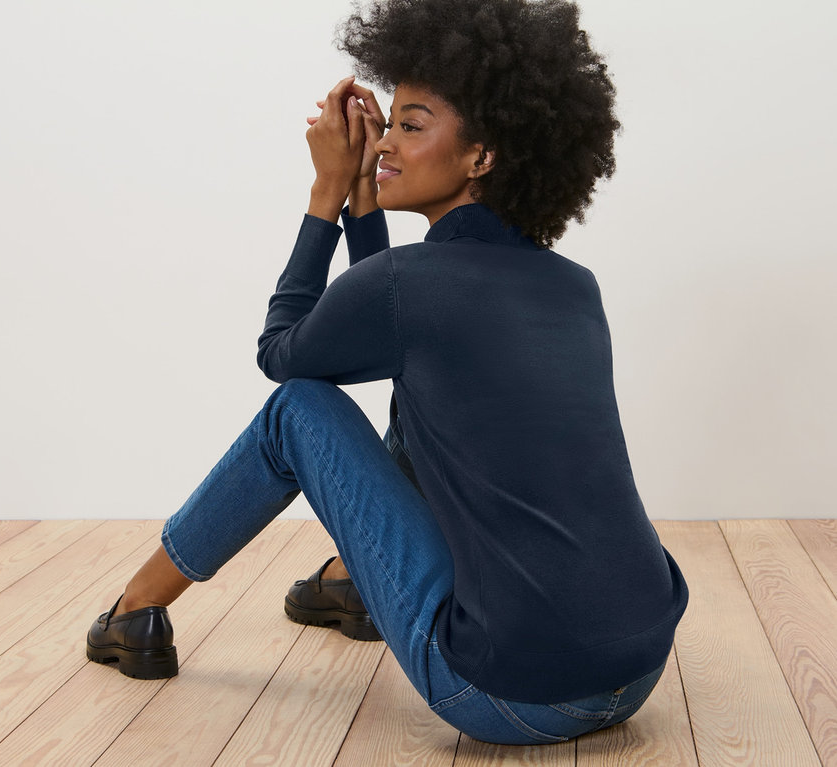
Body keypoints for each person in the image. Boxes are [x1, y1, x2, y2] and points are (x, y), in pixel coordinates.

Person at [86, 0, 688, 745]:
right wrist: (366, 204)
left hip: (503, 691)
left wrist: (328, 194)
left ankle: (136, 609)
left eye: (413, 123)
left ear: (482, 155)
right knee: (426, 399)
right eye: (391, 122)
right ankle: (350, 583)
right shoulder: (574, 284)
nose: (387, 144)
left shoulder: (414, 285)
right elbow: (399, 333)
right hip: (637, 667)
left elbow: (284, 354)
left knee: (298, 409)